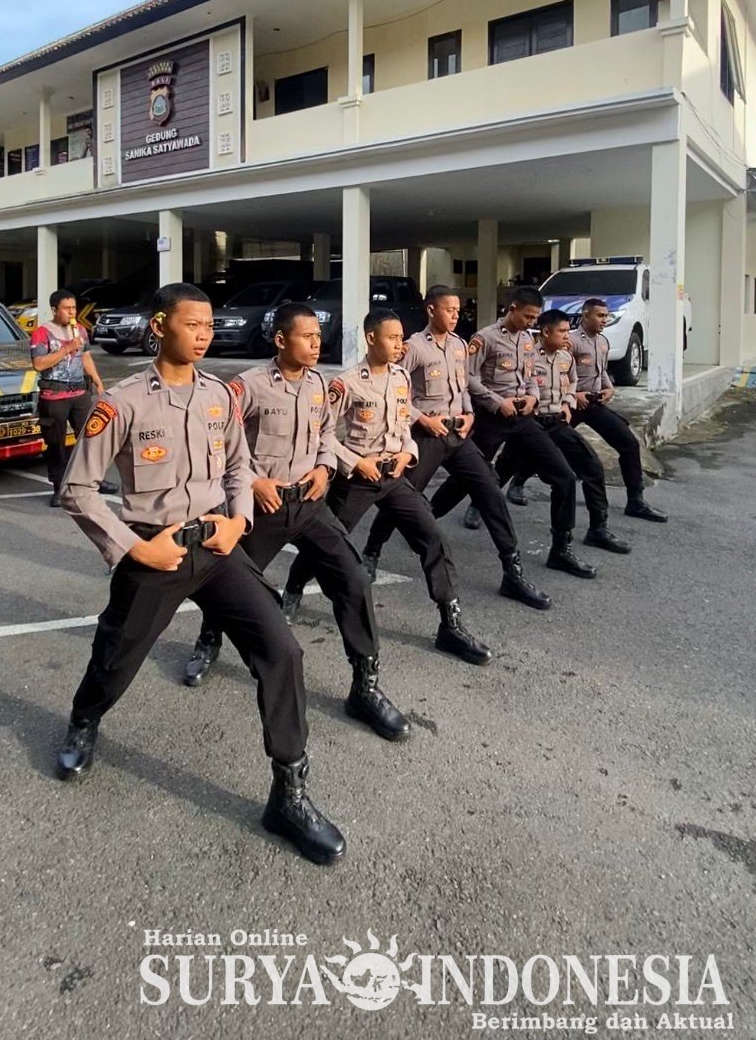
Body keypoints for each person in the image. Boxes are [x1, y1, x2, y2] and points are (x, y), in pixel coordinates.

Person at [56, 283, 346, 867]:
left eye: (210, 325)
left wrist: (239, 520)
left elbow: (239, 465)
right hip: (156, 550)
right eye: (193, 324)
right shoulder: (123, 402)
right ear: (159, 326)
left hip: (217, 545)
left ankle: (289, 794)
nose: (204, 335)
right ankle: (84, 720)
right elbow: (77, 490)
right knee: (117, 656)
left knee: (282, 652)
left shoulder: (218, 394)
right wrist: (134, 550)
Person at [182, 302, 410, 742]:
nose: (316, 344)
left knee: (354, 580)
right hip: (263, 507)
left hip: (308, 504)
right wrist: (254, 483)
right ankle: (208, 640)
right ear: (281, 340)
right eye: (307, 337)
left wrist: (325, 468)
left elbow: (326, 435)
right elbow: (218, 443)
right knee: (230, 586)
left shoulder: (319, 384)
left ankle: (365, 686)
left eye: (318, 336)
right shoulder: (248, 386)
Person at [282, 309, 493, 666]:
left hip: (394, 477)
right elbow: (323, 435)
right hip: (357, 479)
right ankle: (293, 588)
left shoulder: (400, 377)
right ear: (371, 338)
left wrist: (408, 454)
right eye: (392, 338)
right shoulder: (346, 384)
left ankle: (451, 624)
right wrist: (355, 462)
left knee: (433, 538)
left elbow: (404, 426)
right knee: (327, 543)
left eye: (401, 338)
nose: (399, 345)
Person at [359, 285, 551, 611]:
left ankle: (512, 572)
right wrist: (423, 420)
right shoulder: (414, 348)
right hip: (426, 435)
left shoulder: (460, 346)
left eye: (458, 311)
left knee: (490, 491)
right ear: (431, 310)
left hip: (457, 435)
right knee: (401, 497)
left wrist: (470, 415)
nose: (455, 316)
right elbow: (395, 392)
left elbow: (463, 389)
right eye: (449, 310)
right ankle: (372, 551)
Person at [427, 287, 597, 577]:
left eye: (535, 317)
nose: (532, 322)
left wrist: (532, 397)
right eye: (528, 316)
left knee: (565, 477)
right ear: (513, 308)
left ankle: (561, 550)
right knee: (466, 479)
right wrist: (496, 402)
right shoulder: (485, 338)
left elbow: (530, 377)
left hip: (521, 418)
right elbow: (467, 377)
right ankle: (425, 522)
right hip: (491, 418)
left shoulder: (528, 341)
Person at [508, 299, 668, 522]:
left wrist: (609, 388)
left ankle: (635, 500)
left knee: (629, 443)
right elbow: (561, 374)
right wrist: (574, 396)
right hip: (570, 405)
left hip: (592, 404)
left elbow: (601, 372)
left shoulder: (602, 342)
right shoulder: (569, 341)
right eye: (600, 316)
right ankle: (518, 481)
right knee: (544, 443)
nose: (604, 320)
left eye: (606, 316)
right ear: (585, 316)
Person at [495, 310, 630, 556]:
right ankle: (478, 506)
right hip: (531, 425)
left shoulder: (566, 357)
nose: (568, 336)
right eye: (563, 331)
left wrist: (568, 403)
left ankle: (598, 529)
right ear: (546, 332)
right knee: (505, 468)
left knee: (591, 466)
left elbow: (572, 382)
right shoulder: (528, 357)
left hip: (556, 422)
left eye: (568, 330)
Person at [30, 288, 114, 506]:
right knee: (56, 444)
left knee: (90, 438)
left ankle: (95, 479)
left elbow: (86, 358)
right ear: (54, 310)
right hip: (54, 396)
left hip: (79, 394)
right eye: (66, 308)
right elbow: (39, 364)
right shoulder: (42, 333)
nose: (71, 312)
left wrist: (97, 381)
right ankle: (59, 486)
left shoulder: (81, 331)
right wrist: (67, 348)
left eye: (74, 308)